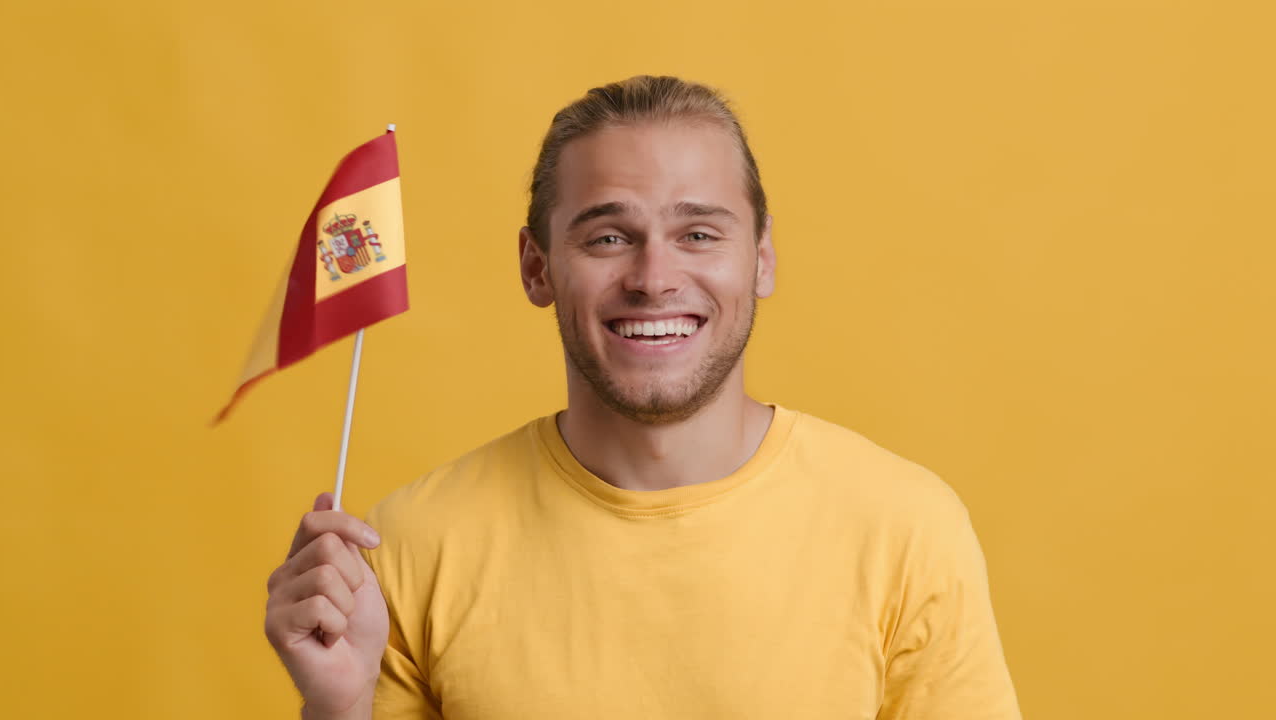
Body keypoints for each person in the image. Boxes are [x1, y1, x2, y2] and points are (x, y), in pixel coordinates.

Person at [264, 75, 1021, 720]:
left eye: (698, 235)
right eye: (607, 238)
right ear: (536, 267)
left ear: (760, 260)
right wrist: (338, 709)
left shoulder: (905, 530)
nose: (654, 277)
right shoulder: (408, 548)